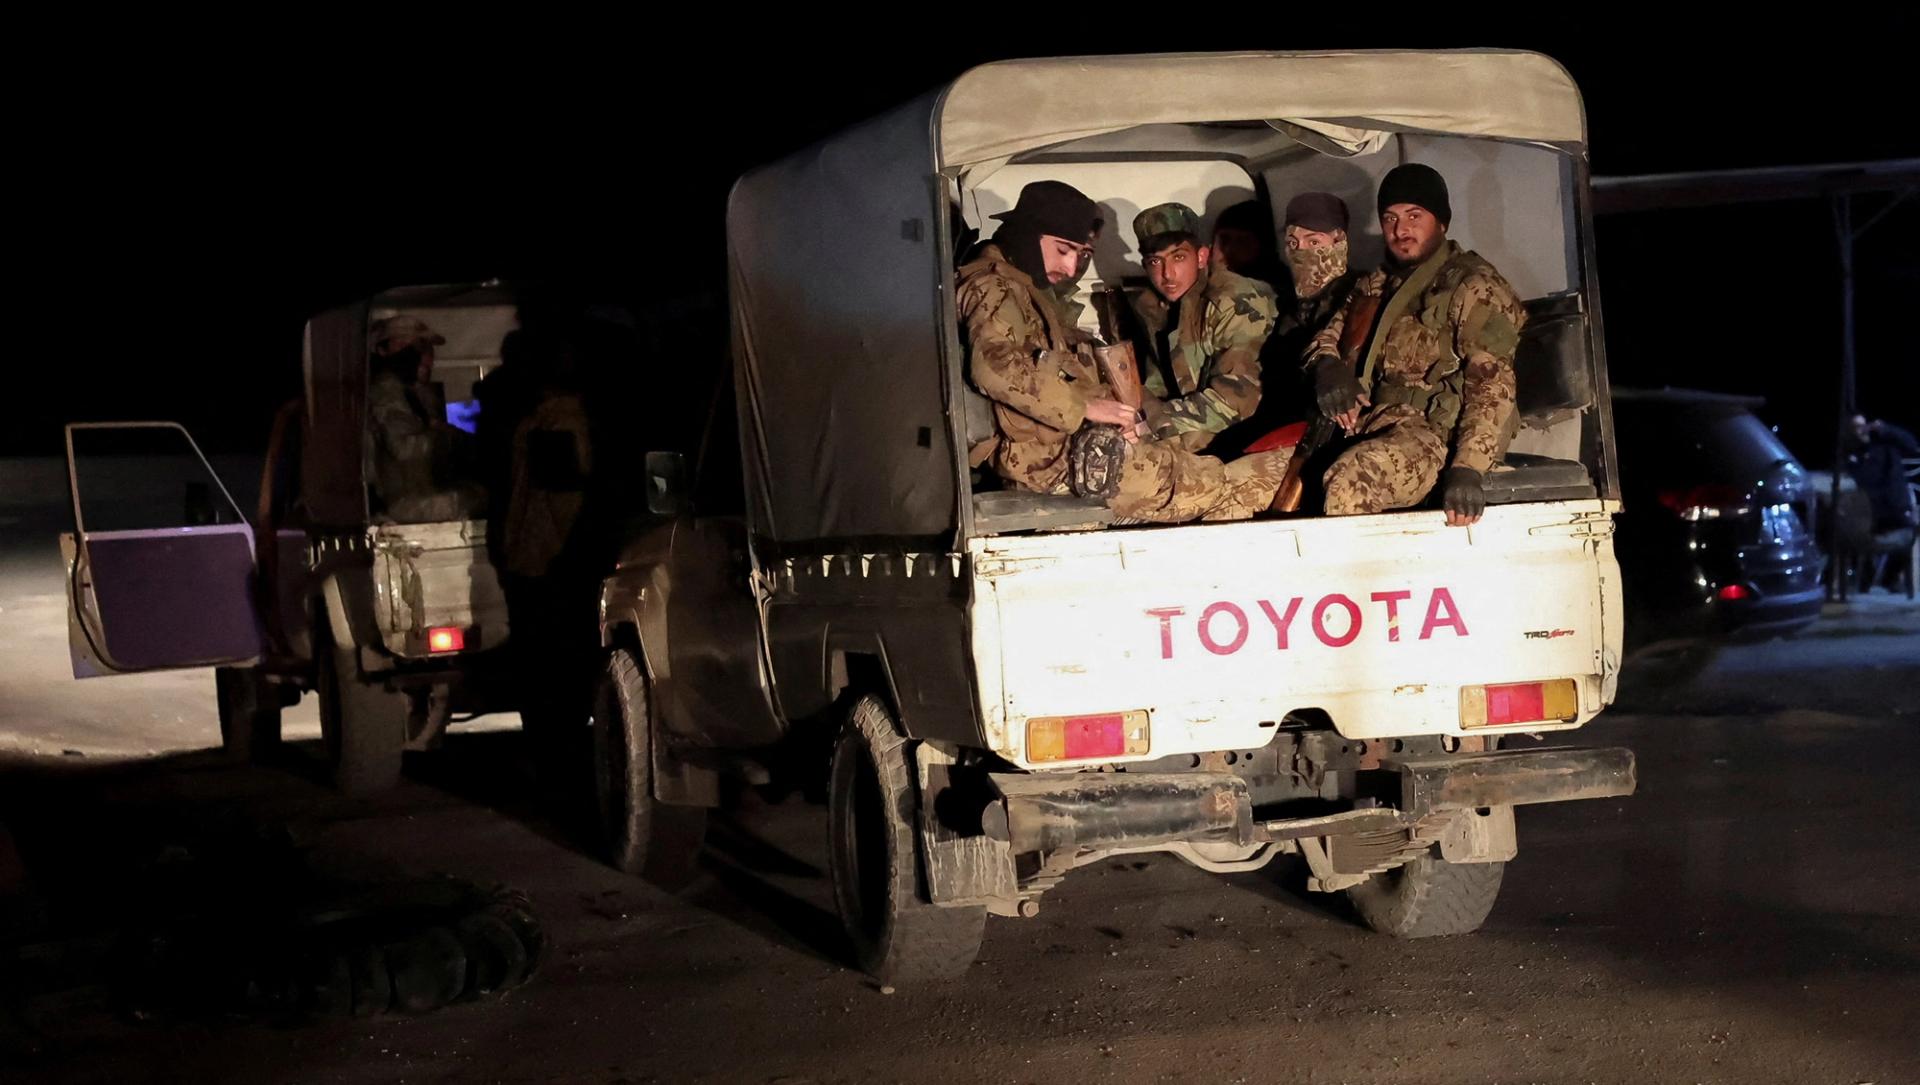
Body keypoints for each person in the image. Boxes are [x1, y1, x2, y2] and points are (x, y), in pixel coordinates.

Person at [1305, 165, 1526, 526]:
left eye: (1414, 216)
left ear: (1441, 222)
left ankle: (1356, 582)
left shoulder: (1474, 286)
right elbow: (1325, 339)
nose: (1400, 229)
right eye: (1390, 218)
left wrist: (1469, 467)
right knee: (1237, 482)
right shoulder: (1377, 282)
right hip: (1366, 424)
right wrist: (1327, 366)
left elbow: (1492, 383)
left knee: (1353, 480)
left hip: (1431, 437)